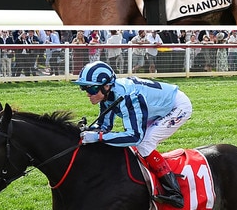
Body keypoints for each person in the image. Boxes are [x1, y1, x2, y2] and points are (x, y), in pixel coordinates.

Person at [74, 61, 192, 208]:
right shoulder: (108, 94)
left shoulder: (128, 97)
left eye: (91, 89)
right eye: (83, 88)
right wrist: (89, 131)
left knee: (144, 143)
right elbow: (104, 126)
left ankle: (174, 193)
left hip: (177, 107)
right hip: (156, 108)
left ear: (106, 86)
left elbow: (134, 137)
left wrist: (98, 137)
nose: (87, 94)